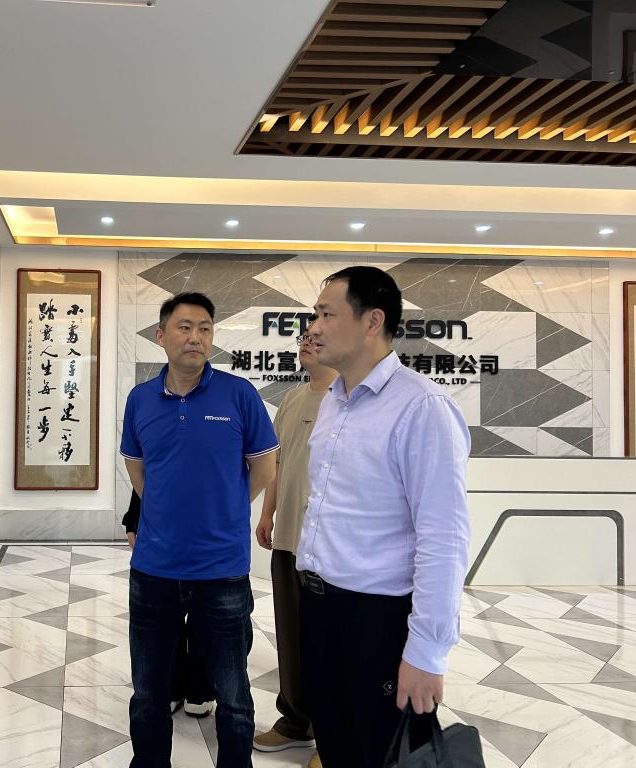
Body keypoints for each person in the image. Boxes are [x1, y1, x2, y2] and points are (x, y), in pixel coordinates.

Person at [295, 266, 471, 768]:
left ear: (372, 321)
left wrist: (426, 652)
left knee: (377, 753)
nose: (314, 328)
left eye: (326, 314)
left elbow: (444, 535)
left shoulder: (422, 407)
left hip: (377, 620)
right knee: (335, 746)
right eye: (314, 315)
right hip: (320, 608)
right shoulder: (335, 400)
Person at [121, 291, 278, 768]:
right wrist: (164, 510)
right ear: (161, 335)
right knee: (149, 690)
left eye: (205, 328)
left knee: (233, 693)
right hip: (154, 568)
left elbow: (264, 466)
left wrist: (226, 507)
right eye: (185, 327)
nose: (196, 337)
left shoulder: (239, 394)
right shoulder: (140, 398)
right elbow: (137, 466)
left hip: (222, 569)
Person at [253, 327, 336, 768]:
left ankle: (333, 738)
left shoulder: (347, 401)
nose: (307, 342)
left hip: (328, 545)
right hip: (288, 537)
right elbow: (277, 462)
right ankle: (295, 721)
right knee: (291, 633)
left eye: (318, 336)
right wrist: (267, 513)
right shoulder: (292, 399)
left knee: (327, 641)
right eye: (304, 337)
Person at [124, 489, 216, 717]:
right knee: (166, 614)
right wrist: (133, 517)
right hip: (161, 533)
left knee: (204, 614)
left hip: (211, 530)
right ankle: (173, 687)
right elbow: (145, 473)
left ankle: (199, 689)